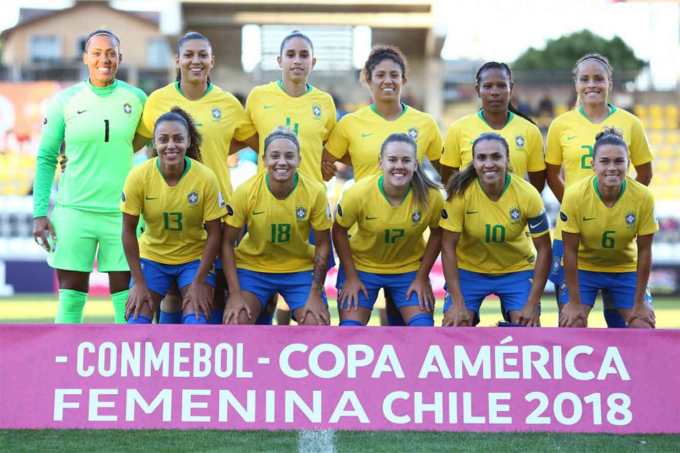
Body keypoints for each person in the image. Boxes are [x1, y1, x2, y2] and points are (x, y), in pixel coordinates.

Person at [136, 31, 257, 324]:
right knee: (171, 294)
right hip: (169, 210)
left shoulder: (228, 103)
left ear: (212, 61)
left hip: (217, 211)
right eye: (188, 55)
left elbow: (253, 141)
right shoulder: (157, 100)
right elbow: (137, 142)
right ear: (178, 60)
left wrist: (216, 147)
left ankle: (207, 361)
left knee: (211, 292)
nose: (195, 60)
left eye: (202, 55)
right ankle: (171, 363)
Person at [32, 30, 147, 324]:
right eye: (96, 53)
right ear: (85, 58)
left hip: (122, 215)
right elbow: (46, 157)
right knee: (70, 301)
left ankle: (127, 369)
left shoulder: (137, 99)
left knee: (127, 304)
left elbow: (149, 148)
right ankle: (62, 368)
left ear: (120, 57)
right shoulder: (64, 101)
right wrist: (39, 213)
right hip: (74, 212)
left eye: (111, 53)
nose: (104, 59)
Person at [323, 45, 443, 325]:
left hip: (407, 236)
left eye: (394, 74)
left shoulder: (424, 123)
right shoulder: (351, 123)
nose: (388, 80)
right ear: (368, 78)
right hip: (364, 232)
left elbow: (446, 171)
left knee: (407, 330)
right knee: (352, 330)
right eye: (380, 74)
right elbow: (325, 164)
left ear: (404, 79)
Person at [546, 53, 653, 327]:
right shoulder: (561, 125)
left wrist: (621, 208)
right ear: (576, 84)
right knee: (572, 320)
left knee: (633, 324)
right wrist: (576, 208)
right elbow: (551, 174)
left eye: (598, 78)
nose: (591, 84)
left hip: (616, 234)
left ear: (610, 83)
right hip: (572, 231)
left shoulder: (631, 123)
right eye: (585, 79)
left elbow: (644, 172)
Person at [245, 30, 337, 325]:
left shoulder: (324, 102)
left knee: (307, 297)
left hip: (308, 208)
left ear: (313, 61)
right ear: (279, 60)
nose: (297, 61)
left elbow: (329, 152)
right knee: (265, 295)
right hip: (267, 204)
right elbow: (250, 140)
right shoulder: (259, 97)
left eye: (304, 55)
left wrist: (327, 166)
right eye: (291, 55)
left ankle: (292, 355)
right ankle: (264, 358)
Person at [121, 108, 225, 324]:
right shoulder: (138, 176)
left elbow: (215, 233)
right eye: (163, 139)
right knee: (136, 320)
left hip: (193, 260)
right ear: (154, 143)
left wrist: (198, 282)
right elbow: (128, 230)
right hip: (153, 258)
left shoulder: (205, 178)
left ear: (188, 142)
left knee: (196, 319)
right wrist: (138, 283)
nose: (171, 145)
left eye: (178, 139)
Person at [221, 127, 332, 325]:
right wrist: (235, 294)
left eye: (289, 156)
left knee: (317, 323)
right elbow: (227, 243)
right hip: (254, 269)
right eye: (275, 156)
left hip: (298, 270)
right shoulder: (246, 191)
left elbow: (323, 244)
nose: (282, 162)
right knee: (236, 320)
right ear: (264, 160)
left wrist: (315, 292)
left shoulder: (315, 192)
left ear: (299, 159)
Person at [440, 133, 551, 327]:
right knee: (456, 323)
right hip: (469, 270)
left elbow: (544, 249)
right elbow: (447, 246)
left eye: (496, 157)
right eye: (481, 158)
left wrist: (533, 303)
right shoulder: (460, 194)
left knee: (527, 325)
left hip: (516, 270)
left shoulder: (528, 194)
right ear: (473, 162)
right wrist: (457, 303)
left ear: (507, 160)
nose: (488, 163)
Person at [333, 133, 443, 326]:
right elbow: (338, 231)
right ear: (380, 163)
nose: (399, 166)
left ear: (415, 164)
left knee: (423, 330)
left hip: (408, 270)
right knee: (350, 332)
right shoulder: (358, 193)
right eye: (392, 160)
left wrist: (422, 277)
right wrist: (350, 276)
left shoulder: (432, 197)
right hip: (362, 267)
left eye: (406, 160)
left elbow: (438, 233)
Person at [558, 129, 657, 328]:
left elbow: (645, 251)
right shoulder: (575, 195)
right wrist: (575, 303)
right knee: (572, 323)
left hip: (625, 268)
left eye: (619, 161)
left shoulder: (643, 197)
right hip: (584, 269)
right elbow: (569, 251)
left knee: (643, 325)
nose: (612, 167)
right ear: (593, 165)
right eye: (605, 161)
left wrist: (639, 304)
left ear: (628, 164)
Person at [440, 62, 545, 191]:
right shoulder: (458, 129)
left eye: (501, 86)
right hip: (471, 210)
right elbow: (448, 182)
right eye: (488, 86)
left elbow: (537, 187)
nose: (494, 92)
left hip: (514, 211)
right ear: (478, 90)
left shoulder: (530, 130)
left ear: (510, 89)